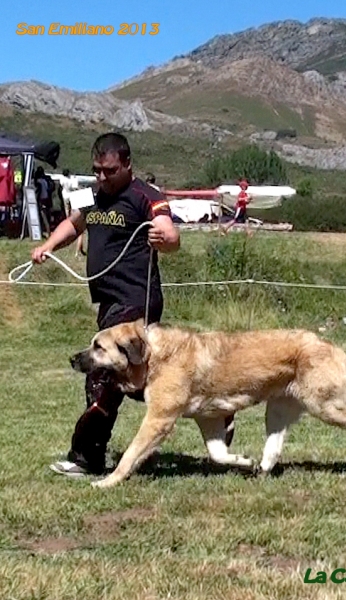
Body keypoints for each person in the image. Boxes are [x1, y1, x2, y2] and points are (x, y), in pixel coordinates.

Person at [31, 132, 183, 477]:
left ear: (127, 164)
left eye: (109, 170)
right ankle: (208, 405)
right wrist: (48, 246)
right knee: (137, 378)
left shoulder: (147, 196)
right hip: (107, 301)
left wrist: (168, 240)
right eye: (97, 170)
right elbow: (74, 222)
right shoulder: (91, 195)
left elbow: (168, 233)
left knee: (102, 375)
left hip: (136, 301)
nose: (102, 177)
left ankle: (86, 457)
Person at [58, 168, 86, 256]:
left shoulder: (62, 179)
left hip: (65, 195)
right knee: (74, 210)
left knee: (67, 210)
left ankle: (68, 219)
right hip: (72, 195)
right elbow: (74, 187)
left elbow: (61, 185)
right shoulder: (72, 179)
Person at [34, 166, 53, 237]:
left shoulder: (38, 181)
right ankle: (48, 230)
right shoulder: (46, 180)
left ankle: (46, 232)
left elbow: (37, 191)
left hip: (41, 200)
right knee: (47, 216)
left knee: (42, 216)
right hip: (47, 199)